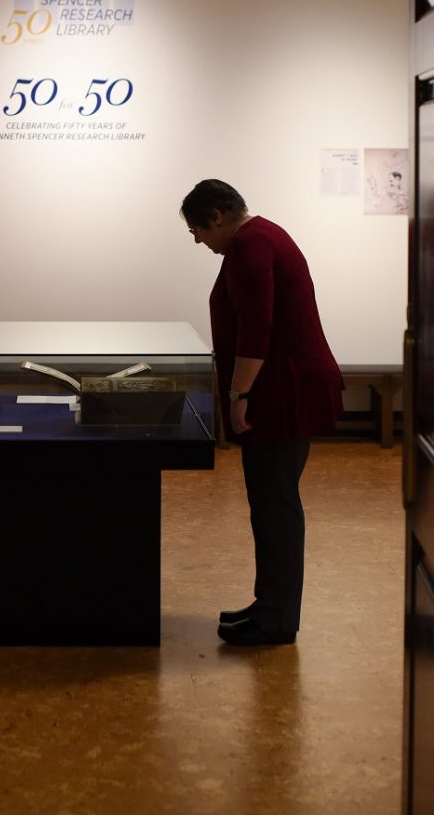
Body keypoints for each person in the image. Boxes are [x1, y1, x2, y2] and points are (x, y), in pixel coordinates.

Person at [180, 179, 344, 646]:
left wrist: (237, 397)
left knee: (275, 505)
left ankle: (275, 618)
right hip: (283, 387)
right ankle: (269, 605)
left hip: (281, 392)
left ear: (216, 216)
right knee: (271, 503)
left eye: (197, 229)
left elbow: (257, 328)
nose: (197, 240)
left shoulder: (251, 245)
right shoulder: (262, 236)